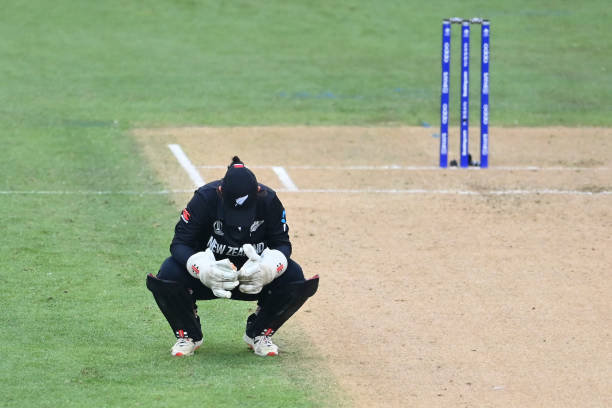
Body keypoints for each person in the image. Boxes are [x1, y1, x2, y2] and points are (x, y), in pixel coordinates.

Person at [146, 156, 318, 357]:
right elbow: (179, 244)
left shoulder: (270, 201)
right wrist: (201, 268)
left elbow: (282, 243)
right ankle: (188, 335)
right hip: (211, 275)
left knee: (295, 278)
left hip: (253, 277)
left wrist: (269, 268)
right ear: (220, 192)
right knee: (167, 274)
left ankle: (259, 333)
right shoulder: (203, 198)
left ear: (258, 193)